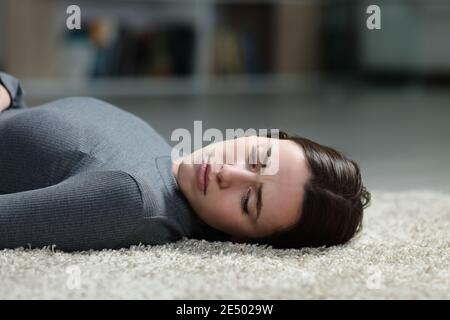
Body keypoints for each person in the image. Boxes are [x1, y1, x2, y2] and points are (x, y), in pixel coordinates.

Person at [0, 72, 370, 252]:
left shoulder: (130, 200)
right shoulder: (168, 159)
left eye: (248, 202)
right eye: (257, 159)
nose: (229, 173)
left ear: (243, 240)